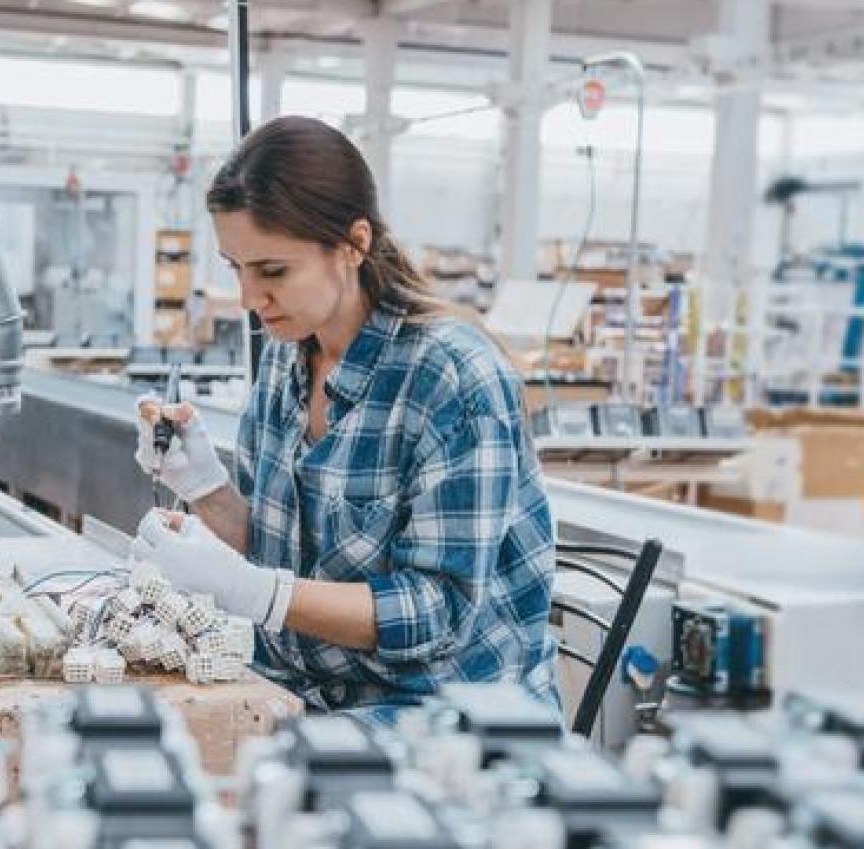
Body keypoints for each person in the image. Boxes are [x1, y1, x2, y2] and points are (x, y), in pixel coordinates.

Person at [129, 116, 556, 722]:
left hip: (440, 712)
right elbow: (286, 548)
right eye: (236, 268)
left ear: (352, 244)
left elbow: (438, 613)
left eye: (273, 271)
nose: (250, 299)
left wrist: (254, 591)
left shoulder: (452, 380)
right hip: (307, 690)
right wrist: (205, 489)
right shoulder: (285, 359)